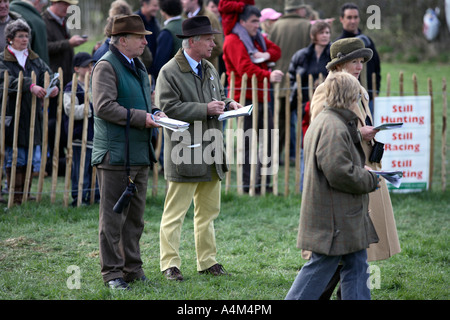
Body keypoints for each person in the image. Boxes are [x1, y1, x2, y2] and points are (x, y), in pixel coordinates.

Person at [309, 37, 401, 299]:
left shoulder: (358, 89)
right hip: (346, 170)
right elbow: (322, 126)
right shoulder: (327, 89)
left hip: (364, 168)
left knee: (357, 247)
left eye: (361, 61)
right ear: (339, 65)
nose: (359, 66)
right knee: (344, 247)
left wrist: (369, 134)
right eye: (354, 61)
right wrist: (359, 131)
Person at [155, 15, 242, 281]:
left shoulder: (210, 68)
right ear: (192, 41)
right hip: (185, 151)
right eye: (208, 39)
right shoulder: (168, 72)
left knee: (208, 213)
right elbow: (167, 108)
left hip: (212, 151)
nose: (214, 43)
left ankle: (208, 262)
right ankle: (169, 264)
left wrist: (228, 104)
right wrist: (204, 110)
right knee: (175, 213)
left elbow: (214, 99)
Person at [285, 71, 380, 300]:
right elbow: (338, 173)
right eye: (356, 94)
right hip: (334, 218)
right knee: (320, 266)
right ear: (349, 96)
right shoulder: (333, 127)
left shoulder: (331, 120)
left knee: (357, 263)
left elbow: (338, 164)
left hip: (342, 213)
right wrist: (370, 178)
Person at [91, 14, 166, 290]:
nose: (146, 41)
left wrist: (155, 112)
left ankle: (133, 269)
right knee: (113, 219)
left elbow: (143, 103)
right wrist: (140, 116)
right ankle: (112, 274)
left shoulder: (136, 64)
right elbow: (103, 106)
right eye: (140, 37)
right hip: (115, 156)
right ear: (123, 40)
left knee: (135, 219)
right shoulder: (106, 66)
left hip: (138, 153)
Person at [222, 5, 283, 193]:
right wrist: (268, 75)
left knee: (270, 140)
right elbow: (245, 68)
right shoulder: (233, 40)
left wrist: (263, 55)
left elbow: (276, 51)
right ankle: (249, 185)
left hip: (263, 97)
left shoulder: (257, 39)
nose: (258, 25)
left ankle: (265, 184)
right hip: (245, 98)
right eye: (254, 21)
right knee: (248, 143)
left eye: (259, 21)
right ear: (242, 22)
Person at [0, 19, 59, 205]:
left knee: (28, 155)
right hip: (11, 114)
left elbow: (47, 74)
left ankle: (24, 192)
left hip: (33, 114)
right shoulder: (2, 59)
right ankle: (14, 194)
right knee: (13, 155)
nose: (24, 39)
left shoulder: (35, 59)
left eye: (26, 36)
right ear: (10, 39)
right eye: (20, 36)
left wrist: (52, 86)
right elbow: (5, 81)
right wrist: (30, 85)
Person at [42, 0, 87, 177]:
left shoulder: (61, 21)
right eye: (65, 5)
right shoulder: (45, 21)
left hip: (64, 79)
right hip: (53, 80)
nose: (68, 9)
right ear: (56, 3)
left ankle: (60, 159)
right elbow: (45, 48)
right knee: (54, 122)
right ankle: (54, 160)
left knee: (62, 121)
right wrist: (68, 43)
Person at [288, 20, 331, 191]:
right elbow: (292, 77)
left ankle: (324, 185)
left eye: (327, 32)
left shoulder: (334, 55)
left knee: (325, 144)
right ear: (313, 35)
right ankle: (304, 186)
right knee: (305, 144)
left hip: (328, 106)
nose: (325, 36)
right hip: (305, 106)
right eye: (322, 32)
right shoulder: (302, 55)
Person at [268, 0, 311, 161]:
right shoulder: (307, 26)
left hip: (280, 81)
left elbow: (270, 51)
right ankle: (302, 154)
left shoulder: (276, 26)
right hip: (302, 81)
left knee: (280, 121)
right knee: (304, 119)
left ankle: (276, 155)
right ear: (299, 9)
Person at [63, 52, 99, 207]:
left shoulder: (94, 86)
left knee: (95, 169)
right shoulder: (72, 87)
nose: (89, 69)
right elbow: (69, 109)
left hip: (94, 134)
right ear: (77, 68)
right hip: (79, 135)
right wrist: (90, 107)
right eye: (85, 67)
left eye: (91, 66)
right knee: (80, 168)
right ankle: (78, 196)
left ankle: (95, 195)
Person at [337, 2, 381, 115]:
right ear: (341, 19)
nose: (353, 21)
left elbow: (376, 66)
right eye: (349, 17)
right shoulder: (339, 44)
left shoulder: (367, 41)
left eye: (355, 17)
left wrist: (375, 91)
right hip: (347, 97)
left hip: (368, 96)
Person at [181, 0, 223, 70]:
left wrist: (198, 58)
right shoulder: (183, 17)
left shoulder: (210, 17)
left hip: (207, 70)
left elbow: (218, 47)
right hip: (186, 68)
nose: (182, 2)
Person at [9, 0, 50, 65]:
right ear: (37, 1)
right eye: (42, 7)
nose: (41, 11)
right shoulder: (37, 22)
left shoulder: (8, 12)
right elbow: (41, 53)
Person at [152, 0, 183, 80]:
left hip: (174, 79)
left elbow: (160, 64)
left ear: (162, 11)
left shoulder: (167, 31)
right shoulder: (188, 23)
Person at [134, 0, 160, 76]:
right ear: (145, 4)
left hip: (153, 71)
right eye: (154, 6)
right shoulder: (135, 20)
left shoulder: (155, 22)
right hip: (140, 69)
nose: (157, 8)